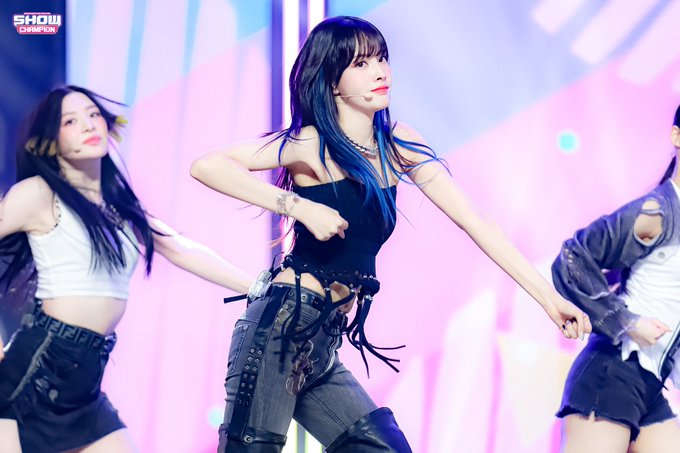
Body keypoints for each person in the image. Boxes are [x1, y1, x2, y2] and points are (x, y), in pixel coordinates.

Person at [191, 16, 591, 452]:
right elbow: (207, 165)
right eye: (361, 64)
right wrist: (298, 206)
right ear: (332, 81)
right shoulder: (309, 145)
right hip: (281, 328)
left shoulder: (397, 143)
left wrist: (549, 299)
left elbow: (476, 220)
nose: (380, 72)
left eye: (382, 58)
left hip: (321, 342)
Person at [0, 85, 254, 453]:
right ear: (50, 143)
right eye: (70, 121)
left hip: (85, 379)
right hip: (35, 371)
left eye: (93, 114)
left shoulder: (117, 204)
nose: (88, 125)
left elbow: (179, 248)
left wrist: (259, 286)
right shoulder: (38, 194)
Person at [551, 105, 680, 452]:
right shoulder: (657, 212)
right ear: (676, 137)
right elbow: (572, 257)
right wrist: (627, 322)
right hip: (611, 374)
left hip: (649, 385)